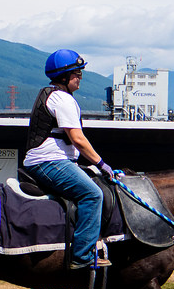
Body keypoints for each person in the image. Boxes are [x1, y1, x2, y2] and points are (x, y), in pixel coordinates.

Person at [23, 49, 117, 269]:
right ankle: (82, 256)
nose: (80, 77)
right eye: (76, 73)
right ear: (63, 76)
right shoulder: (61, 99)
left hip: (56, 161)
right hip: (48, 162)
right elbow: (77, 139)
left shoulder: (58, 95)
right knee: (92, 195)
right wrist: (101, 164)